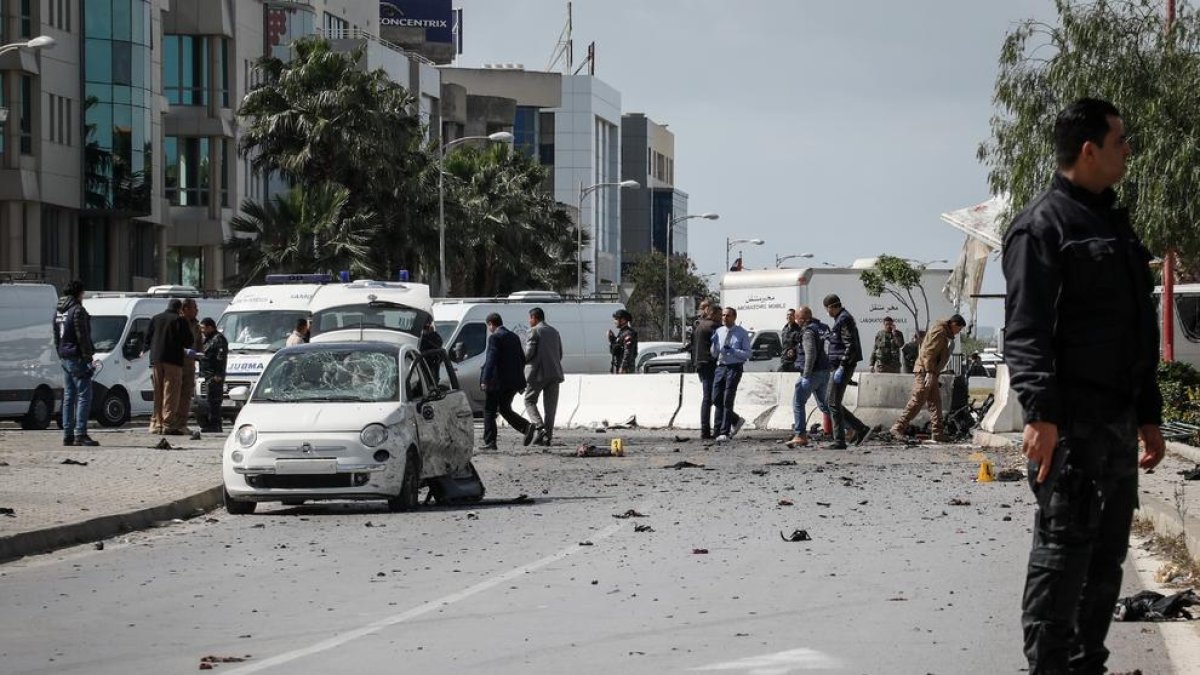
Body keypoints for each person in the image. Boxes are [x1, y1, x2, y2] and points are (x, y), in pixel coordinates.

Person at [1004, 98, 1164, 675]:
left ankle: (1085, 666)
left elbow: (1138, 329)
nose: (1127, 151)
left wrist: (1149, 414)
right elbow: (1026, 330)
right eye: (1120, 141)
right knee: (1061, 561)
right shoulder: (1041, 227)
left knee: (1105, 567)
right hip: (1069, 429)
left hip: (1117, 426)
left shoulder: (1114, 224)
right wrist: (1040, 415)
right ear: (1089, 149)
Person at [889, 315, 966, 441]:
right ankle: (897, 427)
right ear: (953, 324)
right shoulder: (940, 332)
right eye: (959, 328)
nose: (959, 332)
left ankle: (937, 433)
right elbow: (928, 352)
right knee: (918, 399)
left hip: (931, 372)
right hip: (925, 371)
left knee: (935, 403)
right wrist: (929, 372)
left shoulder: (944, 333)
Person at [53, 280, 98, 447]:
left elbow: (56, 335)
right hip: (77, 356)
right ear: (79, 293)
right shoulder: (78, 310)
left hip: (65, 356)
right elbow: (82, 336)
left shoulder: (58, 311)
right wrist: (88, 357)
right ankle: (81, 433)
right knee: (84, 395)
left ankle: (67, 434)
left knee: (69, 396)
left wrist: (60, 353)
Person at [823, 294, 871, 449]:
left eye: (827, 309)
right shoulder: (841, 319)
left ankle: (840, 440)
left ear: (831, 307)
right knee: (833, 402)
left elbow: (850, 344)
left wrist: (842, 366)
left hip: (842, 366)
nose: (827, 312)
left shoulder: (844, 319)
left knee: (832, 402)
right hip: (840, 366)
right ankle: (860, 428)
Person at [480, 312, 533, 449]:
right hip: (512, 383)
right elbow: (522, 359)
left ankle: (490, 441)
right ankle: (526, 426)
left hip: (496, 382)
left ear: (491, 324)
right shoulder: (514, 337)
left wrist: (485, 379)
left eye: (489, 326)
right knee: (504, 408)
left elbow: (491, 360)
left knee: (489, 410)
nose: (489, 329)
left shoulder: (494, 338)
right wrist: (520, 381)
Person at [145, 298, 192, 435]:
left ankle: (156, 423)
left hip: (156, 359)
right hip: (173, 360)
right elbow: (188, 341)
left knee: (158, 391)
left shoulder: (156, 318)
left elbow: (147, 338)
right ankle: (167, 423)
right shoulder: (179, 320)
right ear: (180, 309)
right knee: (171, 391)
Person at [787, 306, 831, 448]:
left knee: (798, 403)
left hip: (812, 373)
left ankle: (800, 435)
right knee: (826, 405)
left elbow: (810, 354)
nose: (796, 321)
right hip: (825, 371)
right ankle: (850, 429)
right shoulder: (823, 328)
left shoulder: (808, 331)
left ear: (802, 319)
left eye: (797, 318)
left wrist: (806, 375)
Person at [523, 307, 564, 447]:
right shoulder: (554, 332)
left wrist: (521, 362)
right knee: (550, 408)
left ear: (534, 318)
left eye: (530, 318)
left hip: (538, 374)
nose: (529, 321)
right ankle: (548, 437)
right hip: (555, 373)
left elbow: (529, 353)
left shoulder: (534, 331)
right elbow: (560, 354)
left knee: (529, 401)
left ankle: (540, 428)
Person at [710, 307, 751, 442]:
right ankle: (735, 419)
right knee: (716, 398)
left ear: (734, 317)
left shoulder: (742, 333)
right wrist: (714, 345)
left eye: (727, 316)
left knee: (728, 398)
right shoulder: (719, 331)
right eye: (723, 315)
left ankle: (724, 432)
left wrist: (733, 351)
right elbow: (714, 354)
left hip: (734, 367)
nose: (724, 318)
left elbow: (747, 354)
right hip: (721, 367)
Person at [692, 301, 720, 439]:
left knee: (707, 398)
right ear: (713, 314)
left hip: (700, 364)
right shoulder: (714, 327)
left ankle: (705, 430)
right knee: (713, 398)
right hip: (710, 364)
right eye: (720, 315)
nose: (722, 318)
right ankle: (715, 429)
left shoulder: (699, 326)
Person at [197, 317, 228, 433]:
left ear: (210, 327)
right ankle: (211, 423)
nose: (202, 331)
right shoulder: (208, 339)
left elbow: (220, 357)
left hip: (214, 374)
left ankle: (215, 424)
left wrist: (219, 374)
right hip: (207, 374)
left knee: (214, 401)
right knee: (210, 400)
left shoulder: (218, 339)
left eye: (203, 328)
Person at [177, 299, 202, 434]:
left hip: (190, 364)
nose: (196, 310)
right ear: (185, 309)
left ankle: (182, 422)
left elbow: (198, 344)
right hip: (177, 363)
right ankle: (173, 422)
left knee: (187, 394)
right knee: (176, 394)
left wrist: (200, 354)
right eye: (194, 308)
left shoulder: (196, 325)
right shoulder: (178, 322)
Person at [608, 309, 638, 374]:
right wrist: (612, 340)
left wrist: (623, 367)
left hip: (625, 370)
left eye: (616, 319)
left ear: (623, 320)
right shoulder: (622, 333)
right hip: (618, 367)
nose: (614, 321)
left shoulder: (628, 334)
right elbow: (616, 350)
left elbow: (628, 352)